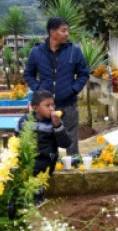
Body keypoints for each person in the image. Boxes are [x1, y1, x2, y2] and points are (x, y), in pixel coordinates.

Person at [23, 17, 90, 155]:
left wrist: (73, 89)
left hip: (68, 105)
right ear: (53, 32)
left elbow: (84, 73)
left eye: (67, 31)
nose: (67, 34)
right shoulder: (37, 52)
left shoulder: (74, 51)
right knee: (44, 139)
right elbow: (28, 74)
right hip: (45, 107)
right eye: (63, 30)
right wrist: (38, 89)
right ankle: (46, 168)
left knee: (70, 140)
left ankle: (73, 167)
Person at [16, 89, 71, 205]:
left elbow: (65, 144)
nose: (52, 108)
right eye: (47, 105)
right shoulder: (24, 121)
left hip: (46, 158)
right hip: (28, 155)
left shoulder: (54, 122)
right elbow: (16, 139)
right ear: (36, 108)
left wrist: (58, 125)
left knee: (36, 167)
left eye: (53, 104)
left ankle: (37, 196)